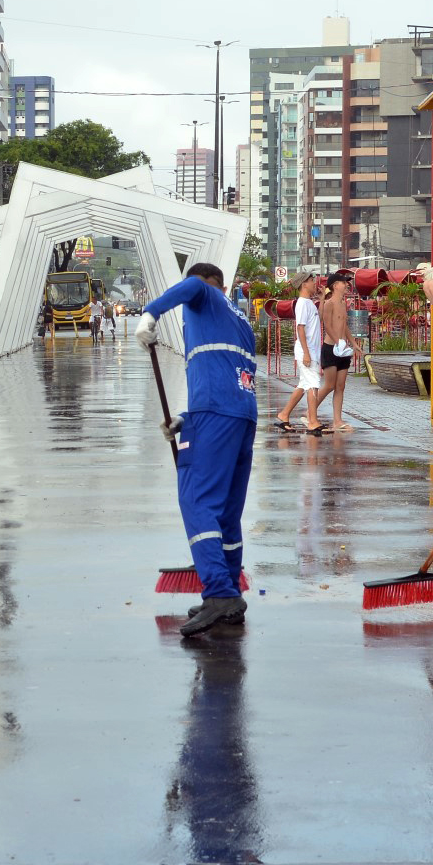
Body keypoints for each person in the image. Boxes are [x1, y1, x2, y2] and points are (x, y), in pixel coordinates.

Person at [136, 262, 258, 636]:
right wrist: (186, 420)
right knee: (226, 512)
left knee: (197, 500)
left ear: (209, 285)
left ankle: (219, 592)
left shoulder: (205, 293)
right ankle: (229, 593)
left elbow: (191, 287)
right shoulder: (241, 320)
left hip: (215, 413)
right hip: (243, 415)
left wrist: (150, 314)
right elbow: (223, 371)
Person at [272, 273, 324, 435]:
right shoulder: (302, 303)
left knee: (303, 385)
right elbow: (299, 328)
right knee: (313, 384)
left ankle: (284, 415)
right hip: (306, 351)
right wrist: (307, 354)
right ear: (303, 285)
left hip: (311, 350)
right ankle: (312, 421)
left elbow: (318, 320)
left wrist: (321, 300)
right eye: (311, 281)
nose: (314, 283)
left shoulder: (309, 303)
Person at [314, 272, 361, 433]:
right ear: (335, 286)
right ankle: (310, 412)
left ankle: (337, 420)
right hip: (331, 348)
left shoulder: (343, 303)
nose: (347, 285)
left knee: (340, 386)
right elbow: (326, 325)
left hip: (343, 349)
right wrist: (338, 342)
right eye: (343, 282)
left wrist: (353, 343)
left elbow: (344, 326)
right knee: (329, 385)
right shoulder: (329, 303)